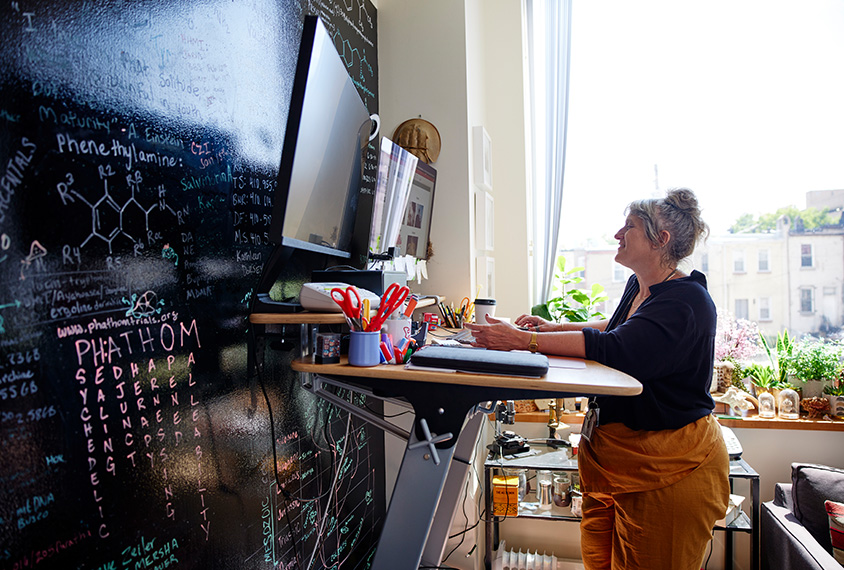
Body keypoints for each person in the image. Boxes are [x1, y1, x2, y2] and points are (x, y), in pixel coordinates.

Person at [466, 188, 729, 570]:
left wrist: (527, 341)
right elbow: (617, 327)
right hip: (613, 467)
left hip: (669, 471)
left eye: (630, 227)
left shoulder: (687, 302)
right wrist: (554, 326)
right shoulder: (642, 288)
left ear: (661, 240)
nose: (618, 235)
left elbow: (618, 347)